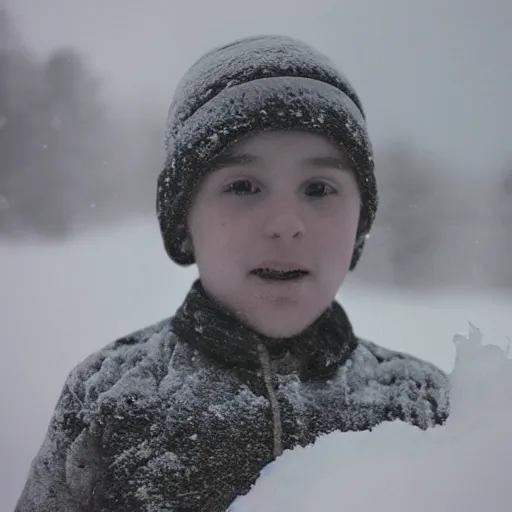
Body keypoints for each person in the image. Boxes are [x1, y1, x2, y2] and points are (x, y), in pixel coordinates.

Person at [16, 35, 450, 512]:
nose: (286, 224)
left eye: (319, 188)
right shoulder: (108, 398)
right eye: (243, 185)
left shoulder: (422, 405)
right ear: (184, 220)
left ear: (360, 224)